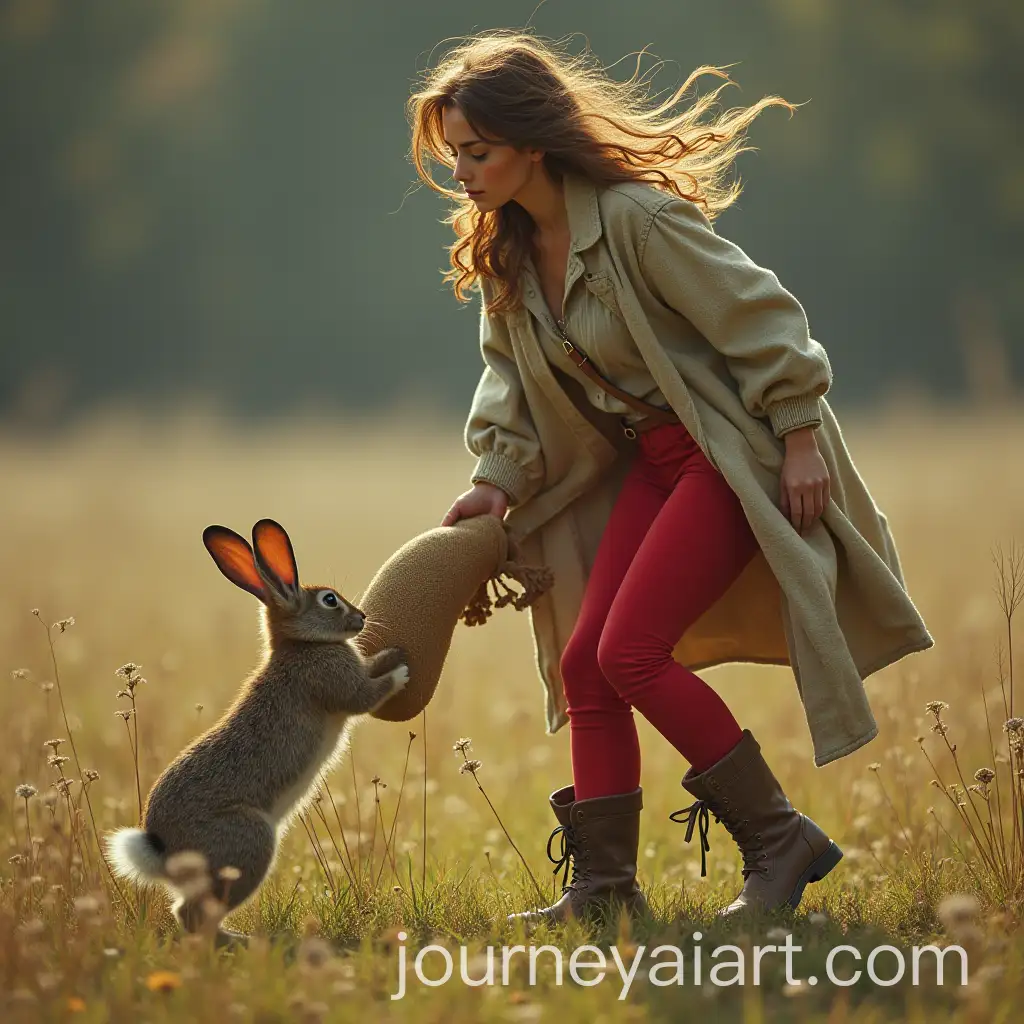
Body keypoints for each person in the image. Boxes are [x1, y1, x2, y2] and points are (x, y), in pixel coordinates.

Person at [407, 30, 933, 925]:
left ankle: (781, 842)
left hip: (730, 459)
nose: (461, 169)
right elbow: (509, 384)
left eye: (477, 151)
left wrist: (799, 433)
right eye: (453, 152)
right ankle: (605, 891)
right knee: (587, 663)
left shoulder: (638, 222)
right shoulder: (507, 254)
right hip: (655, 463)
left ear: (532, 144)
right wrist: (494, 480)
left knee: (630, 653)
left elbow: (762, 316)